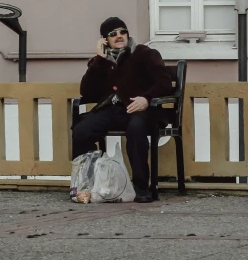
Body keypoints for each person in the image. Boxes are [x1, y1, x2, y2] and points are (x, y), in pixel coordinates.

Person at [73, 16, 173, 202]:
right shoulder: (101, 61)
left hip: (140, 110)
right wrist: (99, 61)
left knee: (136, 129)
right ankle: (89, 185)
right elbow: (86, 92)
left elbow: (164, 82)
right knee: (81, 131)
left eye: (122, 31)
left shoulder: (144, 53)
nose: (119, 36)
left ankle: (142, 187)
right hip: (111, 110)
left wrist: (146, 98)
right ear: (105, 39)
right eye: (113, 34)